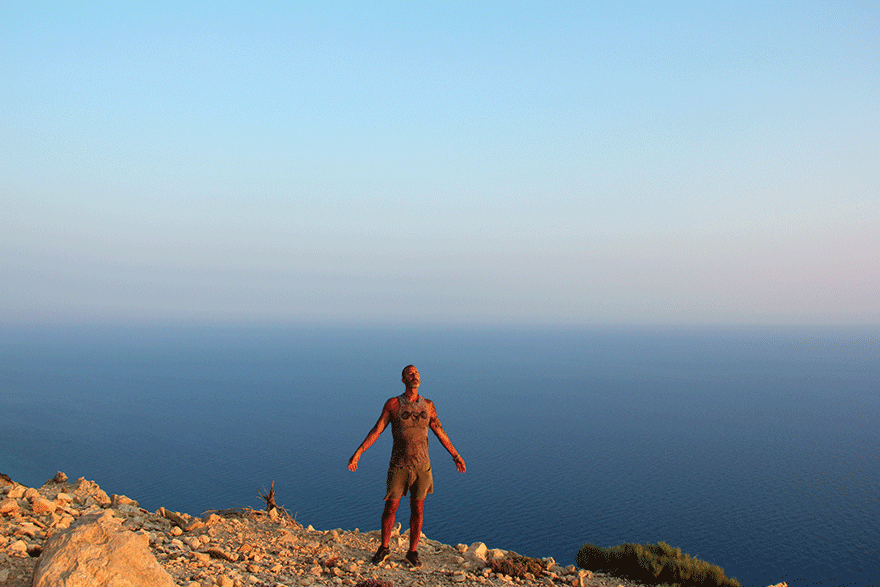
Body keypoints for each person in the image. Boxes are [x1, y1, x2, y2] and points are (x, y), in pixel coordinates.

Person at [348, 365, 466, 568]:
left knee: (418, 509)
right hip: (399, 465)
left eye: (417, 373)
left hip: (422, 466)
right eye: (410, 374)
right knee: (391, 507)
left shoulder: (428, 406)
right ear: (403, 380)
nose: (415, 376)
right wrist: (358, 453)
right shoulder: (393, 404)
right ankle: (384, 548)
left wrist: (455, 455)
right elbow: (377, 430)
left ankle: (412, 552)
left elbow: (439, 431)